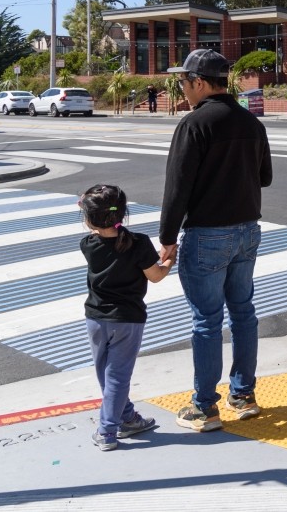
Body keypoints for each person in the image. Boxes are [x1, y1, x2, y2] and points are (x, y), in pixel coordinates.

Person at [160, 49, 273, 432]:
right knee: (243, 313)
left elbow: (177, 188)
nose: (182, 89)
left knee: (207, 321)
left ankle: (204, 407)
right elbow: (265, 177)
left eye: (184, 82)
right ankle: (243, 395)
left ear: (201, 83)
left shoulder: (195, 124)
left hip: (207, 233)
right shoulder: (251, 123)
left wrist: (167, 238)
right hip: (247, 231)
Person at [79, 183, 173, 450]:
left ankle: (127, 417)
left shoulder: (87, 244)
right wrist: (168, 260)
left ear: (88, 220)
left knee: (105, 372)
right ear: (123, 213)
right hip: (128, 320)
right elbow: (155, 276)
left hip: (96, 318)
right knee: (117, 376)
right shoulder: (139, 243)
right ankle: (108, 431)